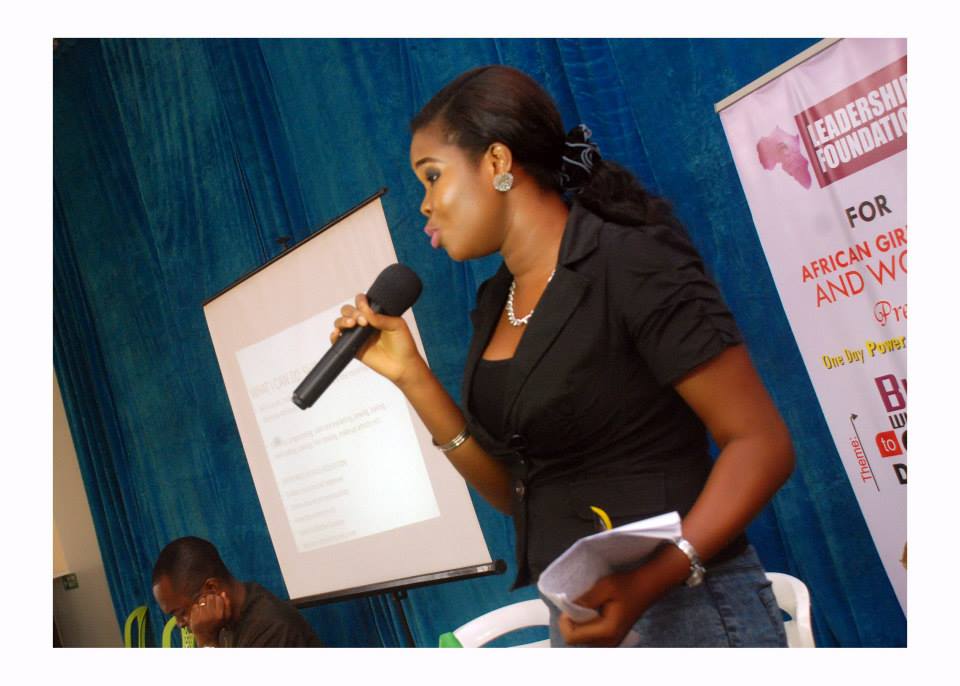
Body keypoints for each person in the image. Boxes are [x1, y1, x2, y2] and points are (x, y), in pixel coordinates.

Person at [332, 65, 795, 647]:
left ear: (496, 162)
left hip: (689, 610)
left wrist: (648, 583)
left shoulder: (628, 260)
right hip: (580, 617)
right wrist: (411, 377)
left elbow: (761, 444)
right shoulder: (495, 302)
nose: (423, 205)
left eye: (432, 177)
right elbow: (518, 495)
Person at [152, 536, 323, 647]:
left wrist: (207, 642)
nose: (180, 623)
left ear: (211, 589)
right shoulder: (220, 622)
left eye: (181, 613)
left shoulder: (272, 628)